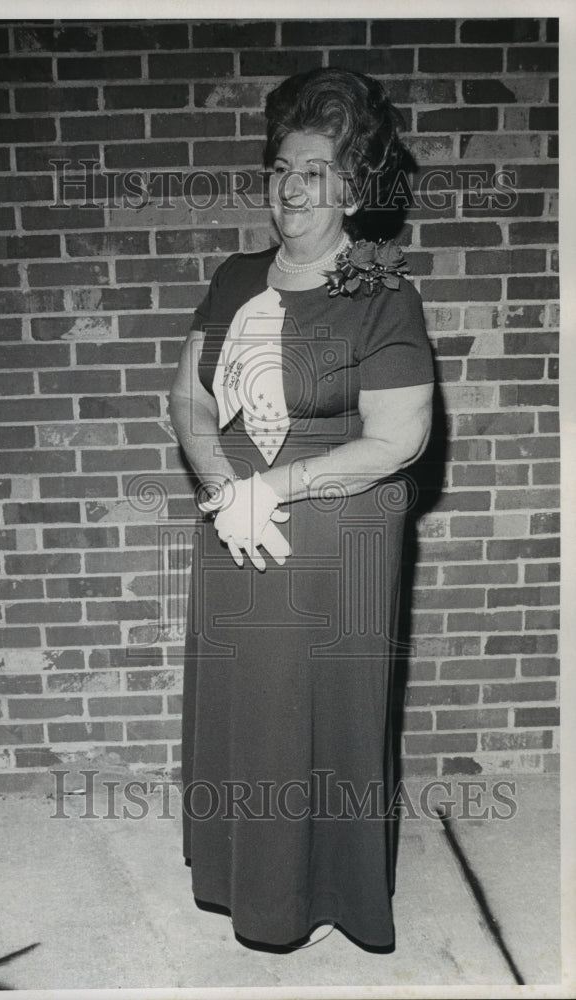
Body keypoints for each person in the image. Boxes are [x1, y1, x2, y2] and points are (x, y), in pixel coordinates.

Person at [169, 67, 435, 952]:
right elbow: (191, 399)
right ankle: (243, 881)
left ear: (352, 187)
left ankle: (329, 892)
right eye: (282, 167)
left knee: (326, 710)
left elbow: (396, 440)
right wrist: (219, 484)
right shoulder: (232, 275)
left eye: (316, 171)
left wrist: (265, 490)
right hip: (233, 522)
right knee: (251, 704)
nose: (292, 188)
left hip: (338, 530)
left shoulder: (382, 294)